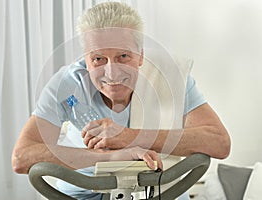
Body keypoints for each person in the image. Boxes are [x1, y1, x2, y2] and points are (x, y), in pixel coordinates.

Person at [12, 2, 230, 200]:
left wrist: (128, 137)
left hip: (160, 191)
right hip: (84, 193)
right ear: (86, 60)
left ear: (141, 56)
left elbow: (219, 143)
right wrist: (110, 156)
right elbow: (21, 158)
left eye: (123, 57)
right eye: (98, 59)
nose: (112, 73)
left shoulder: (171, 77)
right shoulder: (67, 85)